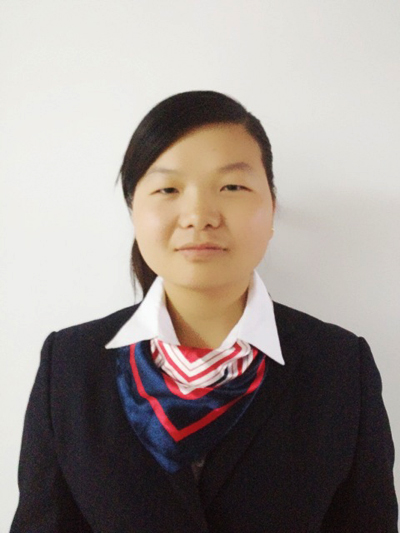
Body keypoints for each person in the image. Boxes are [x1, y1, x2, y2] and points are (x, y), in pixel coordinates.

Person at [11, 91, 398, 532]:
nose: (198, 216)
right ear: (134, 210)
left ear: (271, 207)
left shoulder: (341, 366)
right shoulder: (70, 364)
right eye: (168, 189)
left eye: (232, 187)